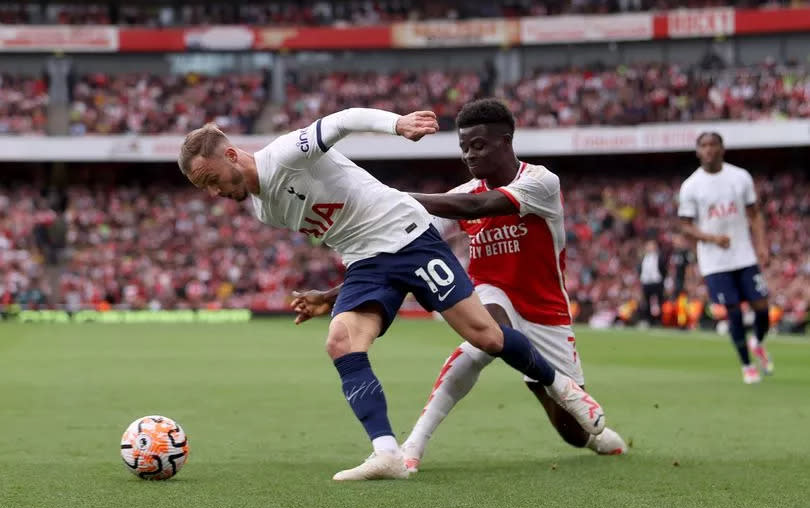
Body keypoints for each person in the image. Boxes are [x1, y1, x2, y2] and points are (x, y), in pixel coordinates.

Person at [178, 107, 606, 481]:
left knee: (487, 338)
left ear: (231, 155)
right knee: (341, 342)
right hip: (364, 262)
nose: (215, 193)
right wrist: (330, 296)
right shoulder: (262, 207)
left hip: (408, 237)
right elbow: (345, 228)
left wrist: (397, 124)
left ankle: (565, 389)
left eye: (212, 180)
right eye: (206, 189)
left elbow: (343, 121)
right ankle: (387, 454)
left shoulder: (285, 155)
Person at [292, 100, 625, 474]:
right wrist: (332, 295)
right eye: (464, 147)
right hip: (488, 292)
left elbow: (477, 206)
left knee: (573, 435)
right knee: (486, 334)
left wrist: (391, 199)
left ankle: (590, 429)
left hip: (546, 310)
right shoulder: (461, 193)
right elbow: (400, 255)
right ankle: (413, 444)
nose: (469, 154)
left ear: (506, 140)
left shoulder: (541, 182)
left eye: (478, 145)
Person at [678, 132, 773, 384]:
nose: (709, 150)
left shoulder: (740, 177)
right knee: (733, 311)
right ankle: (746, 365)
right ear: (698, 151)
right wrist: (711, 238)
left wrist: (762, 245)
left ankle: (758, 341)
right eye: (704, 146)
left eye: (713, 145)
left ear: (722, 148)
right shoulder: (691, 186)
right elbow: (686, 226)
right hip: (715, 261)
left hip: (743, 254)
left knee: (762, 307)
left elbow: (754, 214)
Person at [639, 239, 666, 327]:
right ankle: (648, 320)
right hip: (646, 282)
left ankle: (660, 320)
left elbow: (663, 269)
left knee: (660, 301)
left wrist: (661, 279)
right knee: (647, 302)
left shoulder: (659, 257)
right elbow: (640, 270)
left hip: (657, 282)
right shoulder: (644, 257)